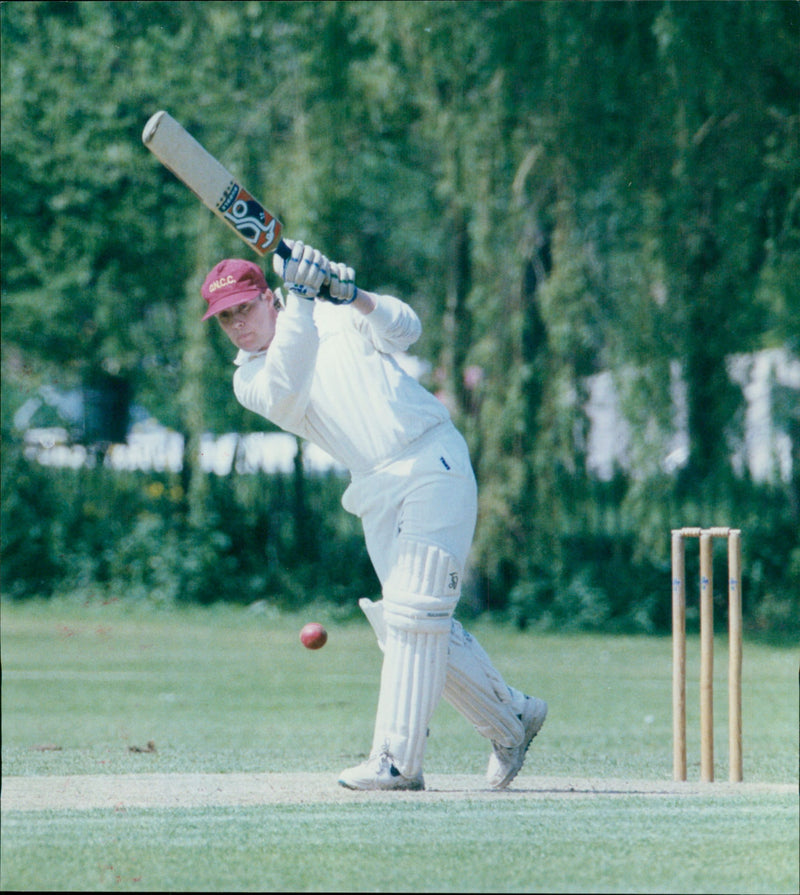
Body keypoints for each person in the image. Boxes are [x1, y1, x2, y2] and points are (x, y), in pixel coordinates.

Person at [200, 240, 547, 791]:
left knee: (414, 614)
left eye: (245, 308)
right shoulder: (250, 380)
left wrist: (352, 294)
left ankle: (397, 763)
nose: (238, 325)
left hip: (430, 458)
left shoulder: (333, 314)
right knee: (409, 624)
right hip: (375, 488)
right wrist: (305, 297)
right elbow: (290, 382)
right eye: (226, 319)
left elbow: (406, 330)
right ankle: (512, 719)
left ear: (267, 298)